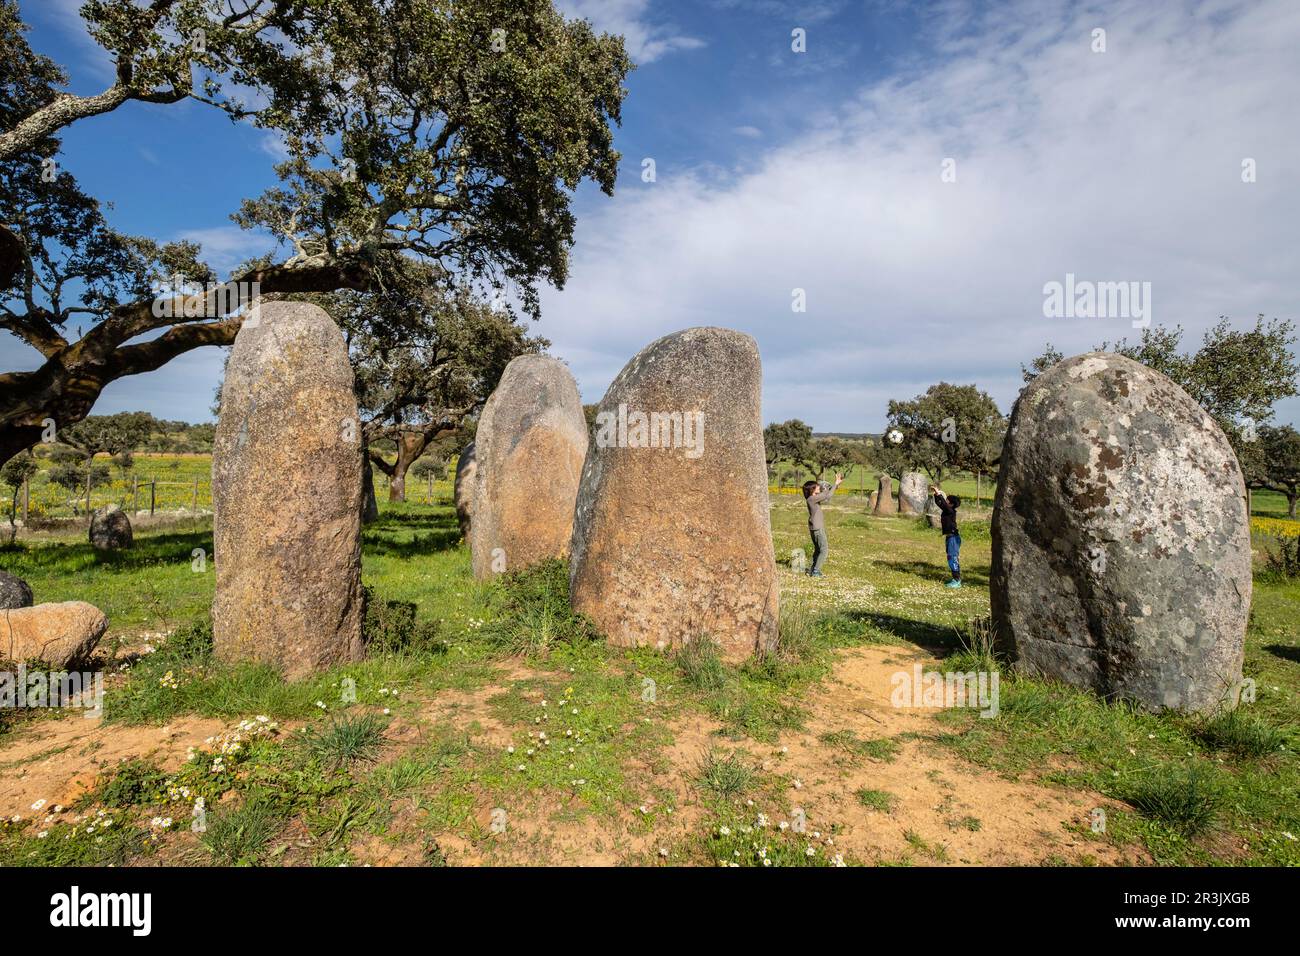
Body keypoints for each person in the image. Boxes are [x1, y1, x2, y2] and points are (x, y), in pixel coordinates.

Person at [802, 472, 843, 577]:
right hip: (817, 528)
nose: (819, 487)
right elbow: (826, 494)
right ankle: (816, 571)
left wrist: (836, 484)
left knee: (818, 550)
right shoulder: (811, 499)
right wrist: (827, 486)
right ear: (811, 489)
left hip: (815, 527)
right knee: (824, 550)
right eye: (817, 487)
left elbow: (828, 496)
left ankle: (811, 569)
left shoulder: (814, 498)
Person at [930, 483, 962, 588]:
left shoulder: (951, 511)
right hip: (950, 537)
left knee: (953, 558)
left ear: (951, 504)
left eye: (947, 500)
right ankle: (955, 578)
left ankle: (957, 580)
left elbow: (943, 503)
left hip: (953, 537)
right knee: (950, 558)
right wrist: (935, 494)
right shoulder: (947, 510)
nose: (945, 502)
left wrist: (938, 492)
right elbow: (940, 503)